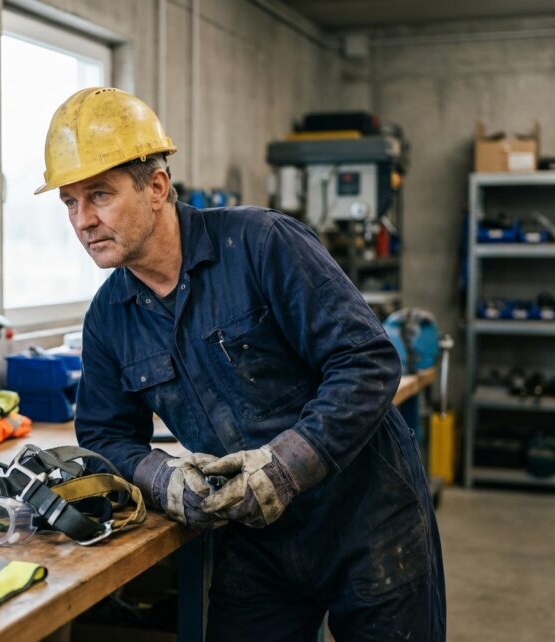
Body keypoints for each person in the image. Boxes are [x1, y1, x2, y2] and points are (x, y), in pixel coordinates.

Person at [35, 87, 446, 642]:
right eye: (70, 202)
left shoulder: (261, 245)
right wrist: (163, 478)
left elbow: (367, 361)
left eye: (100, 195)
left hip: (366, 521)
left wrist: (286, 465)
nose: (83, 220)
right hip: (254, 539)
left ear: (156, 187)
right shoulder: (110, 317)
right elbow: (105, 434)